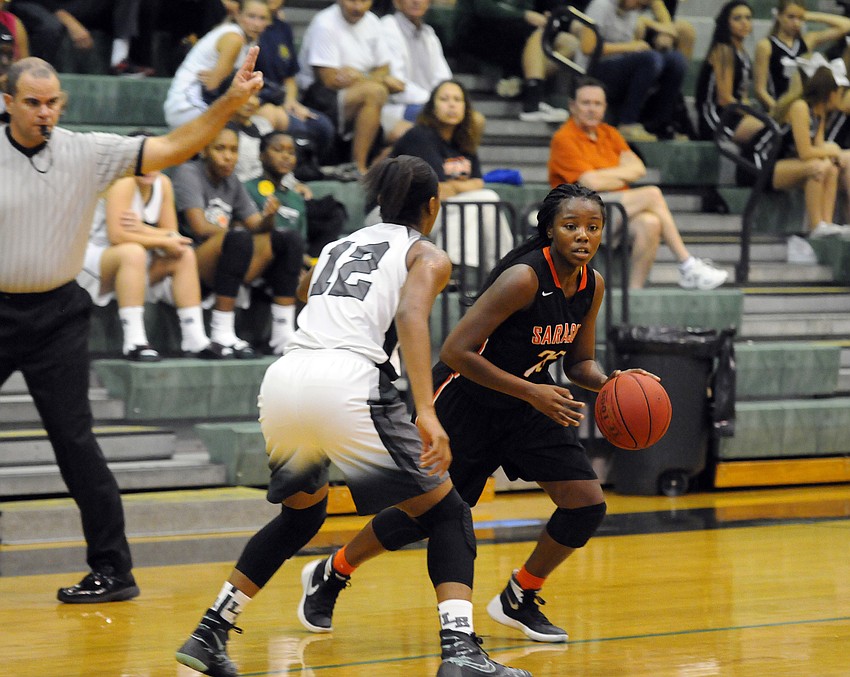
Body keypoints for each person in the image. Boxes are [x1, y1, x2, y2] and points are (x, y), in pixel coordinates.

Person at [175, 155, 532, 677]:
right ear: (433, 206)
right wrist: (427, 410)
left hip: (286, 377)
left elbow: (305, 293)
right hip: (348, 381)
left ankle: (210, 631)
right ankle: (460, 652)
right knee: (447, 512)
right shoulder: (427, 254)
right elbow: (411, 315)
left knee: (302, 514)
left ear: (379, 202)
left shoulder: (338, 248)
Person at [293, 182, 659, 648]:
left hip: (528, 402)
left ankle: (519, 595)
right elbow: (456, 350)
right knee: (423, 517)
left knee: (586, 503)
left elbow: (577, 363)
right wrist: (533, 392)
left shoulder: (592, 285)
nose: (583, 236)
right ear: (549, 230)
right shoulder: (524, 279)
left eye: (593, 227)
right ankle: (333, 571)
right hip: (467, 399)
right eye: (571, 226)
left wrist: (614, 384)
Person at [0, 49, 263, 601]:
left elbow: (173, 147)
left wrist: (229, 102)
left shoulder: (87, 152)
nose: (44, 112)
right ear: (8, 103)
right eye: (32, 103)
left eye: (52, 103)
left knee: (75, 443)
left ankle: (114, 571)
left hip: (57, 314)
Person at [548, 77, 729, 290]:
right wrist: (623, 173)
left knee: (651, 223)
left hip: (613, 209)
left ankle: (634, 296)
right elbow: (588, 182)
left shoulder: (610, 134)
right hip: (578, 214)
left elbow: (639, 168)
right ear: (572, 106)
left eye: (597, 104)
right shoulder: (564, 138)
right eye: (586, 103)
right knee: (652, 194)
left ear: (605, 107)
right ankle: (687, 264)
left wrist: (606, 177)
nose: (591, 109)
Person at [172, 125, 305, 356]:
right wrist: (238, 233)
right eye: (220, 149)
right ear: (204, 150)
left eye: (233, 150)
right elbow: (200, 228)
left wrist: (269, 217)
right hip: (192, 262)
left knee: (288, 239)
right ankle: (221, 332)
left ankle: (282, 334)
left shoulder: (232, 180)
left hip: (231, 256)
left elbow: (256, 225)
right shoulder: (189, 173)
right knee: (238, 238)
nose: (228, 156)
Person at [76, 157, 223, 361]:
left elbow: (172, 235)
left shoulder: (163, 183)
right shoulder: (123, 182)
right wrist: (160, 238)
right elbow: (117, 236)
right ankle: (134, 341)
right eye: (141, 163)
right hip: (90, 259)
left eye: (154, 162)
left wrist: (145, 229)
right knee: (133, 251)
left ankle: (194, 338)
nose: (148, 168)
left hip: (129, 262)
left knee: (183, 254)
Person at [391, 79, 514, 273]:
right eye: (444, 99)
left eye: (457, 99)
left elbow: (478, 182)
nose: (451, 104)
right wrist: (461, 186)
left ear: (466, 108)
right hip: (402, 215)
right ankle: (452, 267)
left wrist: (455, 187)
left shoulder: (463, 140)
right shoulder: (420, 137)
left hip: (437, 212)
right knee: (480, 200)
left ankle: (502, 267)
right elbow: (437, 190)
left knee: (486, 199)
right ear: (432, 107)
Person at [577, 0, 686, 142]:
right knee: (650, 59)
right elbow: (588, 47)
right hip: (595, 70)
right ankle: (627, 123)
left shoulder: (633, 13)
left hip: (621, 68)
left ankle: (660, 124)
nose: (639, 6)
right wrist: (631, 47)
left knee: (675, 60)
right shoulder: (601, 6)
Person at [452, 0, 571, 122]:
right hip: (477, 29)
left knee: (569, 43)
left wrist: (545, 18)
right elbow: (484, 8)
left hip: (513, 31)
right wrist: (525, 15)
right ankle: (532, 105)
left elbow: (528, 6)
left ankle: (521, 85)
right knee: (538, 33)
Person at [770, 60, 850, 242]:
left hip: (791, 165)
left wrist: (832, 155)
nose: (841, 96)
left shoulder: (819, 113)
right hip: (765, 164)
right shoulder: (800, 107)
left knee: (831, 167)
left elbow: (820, 147)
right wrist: (834, 151)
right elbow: (805, 152)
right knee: (817, 166)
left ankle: (827, 225)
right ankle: (816, 226)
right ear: (830, 93)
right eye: (839, 92)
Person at [164, 0, 271, 129]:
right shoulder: (234, 39)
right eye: (251, 16)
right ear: (237, 14)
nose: (256, 24)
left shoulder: (247, 40)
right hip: (189, 106)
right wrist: (225, 80)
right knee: (262, 118)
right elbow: (212, 88)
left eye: (262, 18)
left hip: (200, 103)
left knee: (262, 118)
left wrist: (227, 77)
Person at [253, 0, 336, 164]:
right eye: (254, 17)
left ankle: (312, 170)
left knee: (322, 125)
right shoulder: (248, 32)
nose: (258, 22)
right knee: (296, 126)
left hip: (281, 97)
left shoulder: (283, 28)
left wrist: (291, 101)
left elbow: (290, 77)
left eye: (263, 19)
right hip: (259, 96)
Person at [754, 1, 850, 115]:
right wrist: (779, 110)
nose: (796, 23)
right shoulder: (766, 46)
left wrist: (810, 15)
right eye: (790, 17)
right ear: (779, 16)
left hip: (802, 108)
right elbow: (760, 90)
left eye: (800, 18)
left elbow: (846, 25)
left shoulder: (807, 41)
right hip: (777, 108)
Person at [694, 0, 765, 144]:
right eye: (737, 18)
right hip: (716, 117)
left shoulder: (742, 53)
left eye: (748, 18)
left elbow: (742, 95)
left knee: (771, 129)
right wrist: (754, 114)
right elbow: (725, 99)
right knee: (764, 129)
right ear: (726, 23)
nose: (744, 23)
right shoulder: (723, 50)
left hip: (733, 114)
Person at [9, 0, 145, 74]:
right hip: (33, 3)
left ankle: (120, 59)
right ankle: (40, 74)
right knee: (50, 27)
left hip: (70, 5)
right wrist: (64, 16)